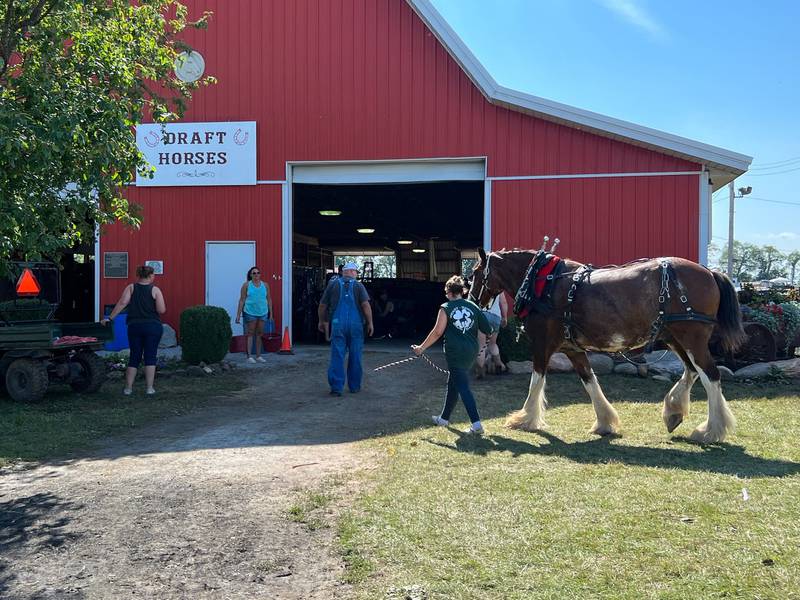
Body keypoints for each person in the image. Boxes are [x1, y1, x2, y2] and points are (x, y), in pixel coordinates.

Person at [412, 275, 492, 434]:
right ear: (462, 291)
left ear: (448, 292)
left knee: (463, 387)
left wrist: (421, 348)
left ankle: (476, 424)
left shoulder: (446, 308)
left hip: (455, 352)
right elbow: (488, 329)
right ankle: (444, 418)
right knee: (453, 384)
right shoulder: (473, 306)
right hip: (471, 351)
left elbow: (437, 332)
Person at [102, 265, 166, 395]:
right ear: (150, 276)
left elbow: (122, 303)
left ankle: (128, 388)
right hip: (152, 326)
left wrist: (110, 318)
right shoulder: (155, 290)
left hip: (134, 326)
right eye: (153, 275)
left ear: (139, 275)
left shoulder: (131, 288)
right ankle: (149, 388)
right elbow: (161, 310)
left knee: (134, 356)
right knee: (150, 356)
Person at [318, 261, 374, 396]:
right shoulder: (359, 286)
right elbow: (365, 305)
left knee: (337, 355)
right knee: (355, 356)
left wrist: (322, 321)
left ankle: (336, 388)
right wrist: (370, 322)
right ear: (352, 272)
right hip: (356, 326)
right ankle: (354, 386)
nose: (356, 274)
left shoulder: (332, 285)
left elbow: (322, 306)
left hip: (338, 325)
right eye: (355, 272)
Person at [235, 266, 273, 364]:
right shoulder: (246, 285)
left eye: (258, 273)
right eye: (254, 273)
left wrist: (271, 313)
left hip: (263, 312)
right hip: (250, 312)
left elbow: (269, 299)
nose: (256, 275)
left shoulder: (265, 285)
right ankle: (249, 356)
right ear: (251, 275)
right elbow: (242, 300)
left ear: (260, 274)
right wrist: (238, 315)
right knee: (250, 333)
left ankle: (258, 356)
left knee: (260, 334)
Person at [476, 292, 509, 377]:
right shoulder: (499, 289)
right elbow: (504, 303)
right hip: (495, 317)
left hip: (482, 315)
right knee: (492, 344)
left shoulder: (480, 287)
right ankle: (499, 366)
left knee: (481, 345)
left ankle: (480, 371)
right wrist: (504, 317)